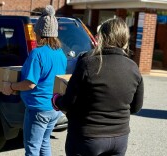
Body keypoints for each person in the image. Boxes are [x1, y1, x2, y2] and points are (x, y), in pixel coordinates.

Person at [52, 18, 144, 156]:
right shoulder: (133, 68)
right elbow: (136, 107)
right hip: (119, 138)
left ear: (101, 37)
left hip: (88, 136)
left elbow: (68, 103)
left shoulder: (88, 63)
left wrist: (56, 100)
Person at [2, 5, 67, 156]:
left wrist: (11, 86)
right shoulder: (60, 53)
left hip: (38, 109)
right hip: (53, 107)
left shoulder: (37, 54)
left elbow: (30, 83)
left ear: (39, 33)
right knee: (44, 144)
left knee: (32, 149)